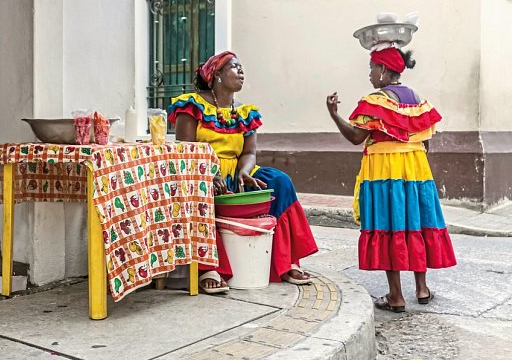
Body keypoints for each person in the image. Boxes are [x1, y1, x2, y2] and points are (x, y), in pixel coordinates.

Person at [168, 51, 319, 293]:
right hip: (202, 171)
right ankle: (209, 268)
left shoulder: (246, 112)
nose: (241, 72)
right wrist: (208, 172)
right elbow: (186, 151)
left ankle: (287, 261)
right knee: (200, 190)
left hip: (237, 172)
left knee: (281, 181)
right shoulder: (192, 105)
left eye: (241, 68)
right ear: (217, 74)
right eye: (234, 67)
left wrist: (245, 172)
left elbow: (249, 153)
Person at [326, 46, 456, 313]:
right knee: (415, 223)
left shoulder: (375, 101)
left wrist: (334, 114)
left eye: (372, 69)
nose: (370, 75)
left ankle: (396, 295)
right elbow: (426, 142)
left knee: (390, 224)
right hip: (417, 171)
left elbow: (356, 137)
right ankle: (421, 289)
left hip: (385, 171)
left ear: (383, 69)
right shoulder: (418, 100)